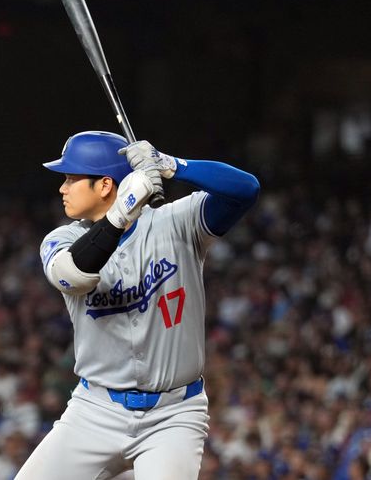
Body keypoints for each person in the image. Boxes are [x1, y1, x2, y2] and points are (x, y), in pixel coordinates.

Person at [16, 131, 260, 479]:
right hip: (95, 410)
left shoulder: (177, 223)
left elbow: (245, 190)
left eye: (71, 178)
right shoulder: (62, 238)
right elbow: (71, 275)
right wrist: (120, 214)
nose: (62, 187)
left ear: (104, 185)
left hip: (173, 415)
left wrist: (174, 166)